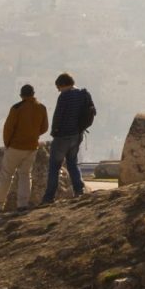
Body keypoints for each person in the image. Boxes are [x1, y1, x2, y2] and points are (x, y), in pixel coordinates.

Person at [39, 71, 96, 203]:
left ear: (63, 85)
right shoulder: (83, 94)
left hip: (62, 136)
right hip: (77, 135)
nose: (59, 91)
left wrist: (54, 132)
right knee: (72, 163)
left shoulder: (64, 97)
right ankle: (79, 190)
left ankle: (49, 197)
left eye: (58, 88)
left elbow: (58, 116)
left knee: (54, 166)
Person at [0, 82, 49, 209]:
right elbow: (44, 128)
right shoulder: (42, 108)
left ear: (21, 95)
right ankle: (22, 204)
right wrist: (34, 134)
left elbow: (8, 129)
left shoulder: (16, 108)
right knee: (25, 175)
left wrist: (7, 143)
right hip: (32, 146)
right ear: (33, 94)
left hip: (15, 147)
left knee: (6, 175)